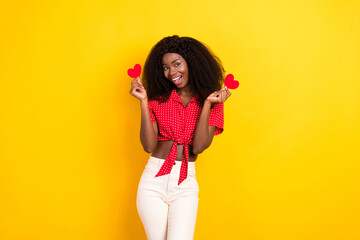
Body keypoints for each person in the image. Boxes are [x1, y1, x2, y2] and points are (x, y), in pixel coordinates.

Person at [129, 35, 231, 240]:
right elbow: (148, 146)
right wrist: (143, 102)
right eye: (166, 67)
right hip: (153, 181)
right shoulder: (157, 101)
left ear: (191, 64)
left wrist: (208, 105)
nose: (172, 72)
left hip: (185, 184)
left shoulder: (213, 102)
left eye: (176, 64)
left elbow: (199, 147)